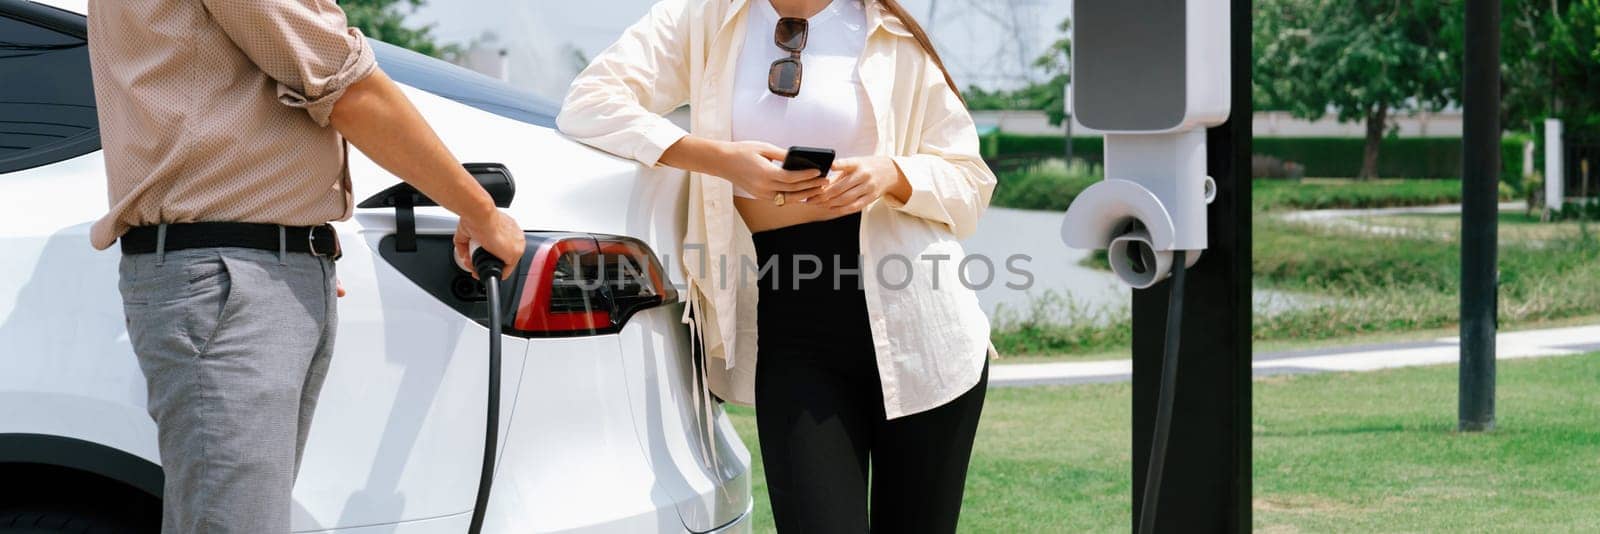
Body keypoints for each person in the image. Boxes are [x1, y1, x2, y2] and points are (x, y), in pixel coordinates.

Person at [86, 0, 525, 530]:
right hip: (227, 272)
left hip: (244, 266)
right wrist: (480, 211)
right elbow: (347, 85)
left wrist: (292, 245)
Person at [558, 0, 996, 531]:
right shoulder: (701, 17)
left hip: (923, 327)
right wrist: (718, 158)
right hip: (791, 327)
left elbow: (970, 182)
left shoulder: (893, 34)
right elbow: (589, 102)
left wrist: (891, 174)